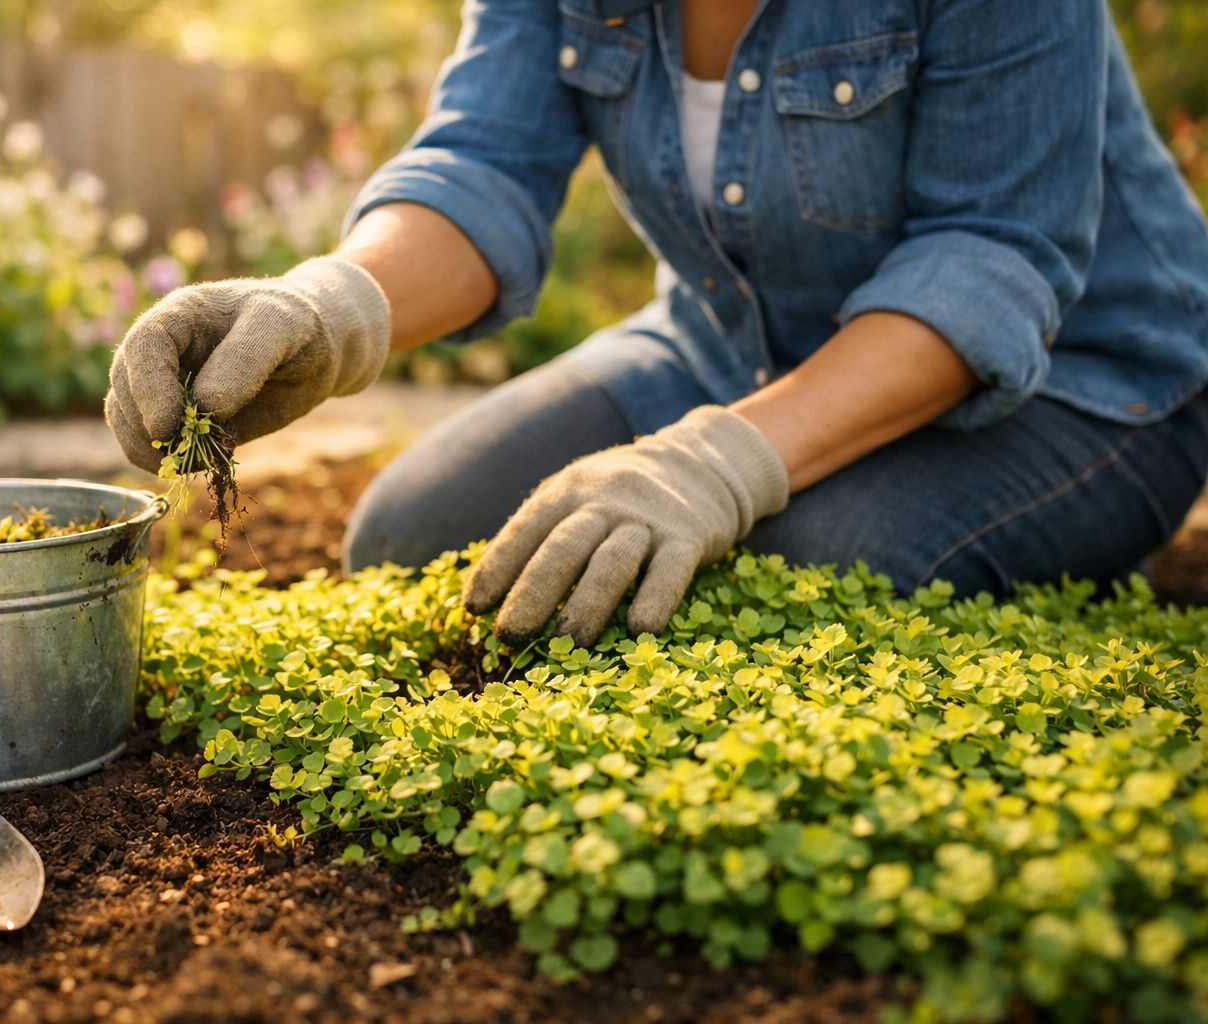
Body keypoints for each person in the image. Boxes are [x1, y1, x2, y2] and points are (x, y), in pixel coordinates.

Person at [105, 0, 1208, 649]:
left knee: (784, 578)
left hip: (1091, 381)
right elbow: (483, 163)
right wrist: (329, 305)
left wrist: (720, 460)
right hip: (732, 341)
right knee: (412, 534)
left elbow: (992, 256)